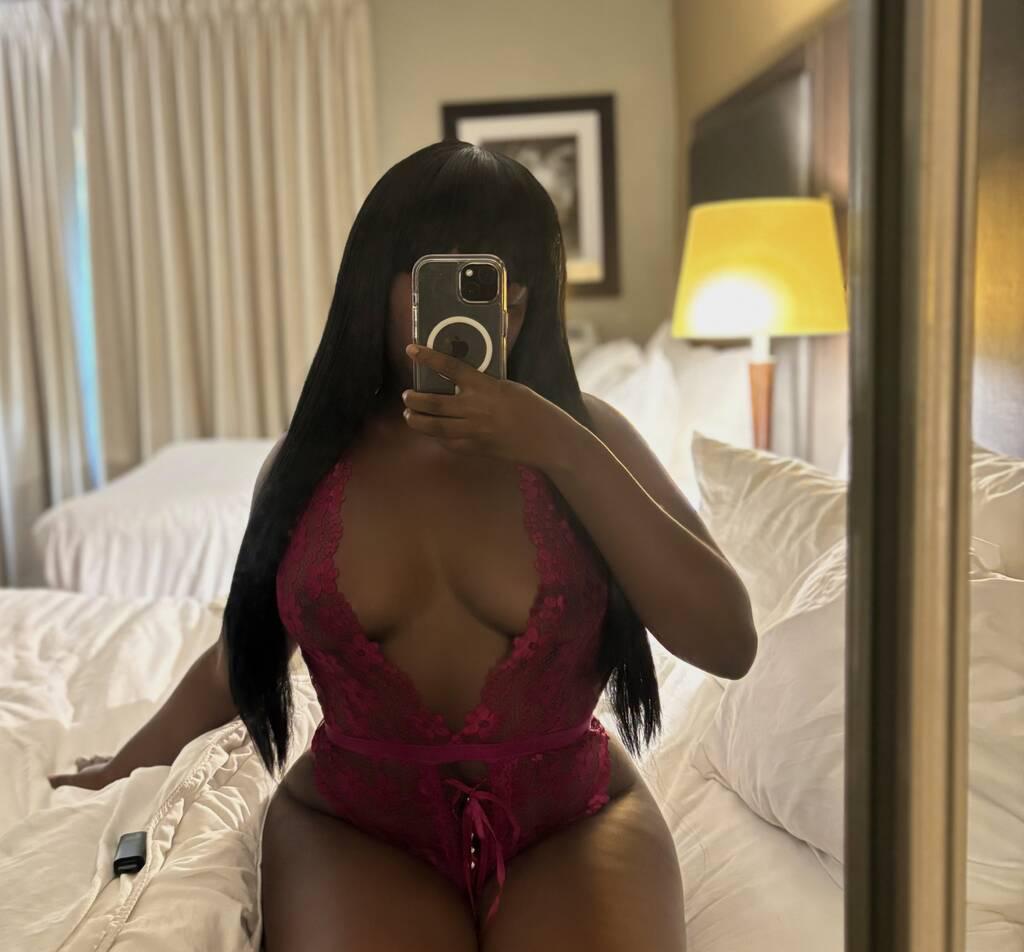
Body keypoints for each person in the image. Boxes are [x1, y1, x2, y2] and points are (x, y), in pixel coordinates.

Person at [49, 140, 757, 951]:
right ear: (374, 285)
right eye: (439, 276)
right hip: (353, 828)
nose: (486, 304)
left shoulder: (589, 437)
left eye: (504, 280)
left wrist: (566, 448)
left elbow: (729, 641)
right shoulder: (307, 465)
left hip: (571, 819)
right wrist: (121, 768)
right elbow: (240, 655)